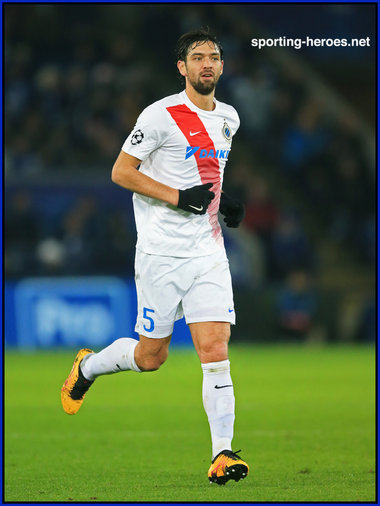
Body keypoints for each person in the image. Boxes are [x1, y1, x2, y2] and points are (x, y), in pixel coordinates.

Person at [61, 28, 249, 486]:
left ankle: (222, 454)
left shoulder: (229, 118)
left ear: (222, 67)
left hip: (207, 251)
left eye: (215, 56)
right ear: (181, 68)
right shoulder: (161, 115)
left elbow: (206, 173)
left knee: (215, 349)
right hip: (161, 255)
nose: (207, 63)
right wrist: (176, 196)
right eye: (197, 57)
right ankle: (87, 366)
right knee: (151, 357)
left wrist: (222, 203)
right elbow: (121, 172)